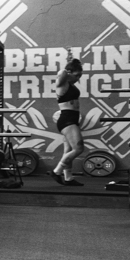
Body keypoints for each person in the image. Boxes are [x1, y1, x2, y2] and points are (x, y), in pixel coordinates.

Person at [51, 57, 85, 186]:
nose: (78, 78)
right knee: (79, 148)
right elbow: (62, 73)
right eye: (76, 75)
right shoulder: (61, 84)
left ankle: (68, 178)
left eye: (80, 76)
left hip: (72, 119)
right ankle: (57, 171)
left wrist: (72, 69)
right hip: (67, 120)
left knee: (68, 150)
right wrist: (70, 65)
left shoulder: (70, 84)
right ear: (69, 73)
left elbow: (66, 73)